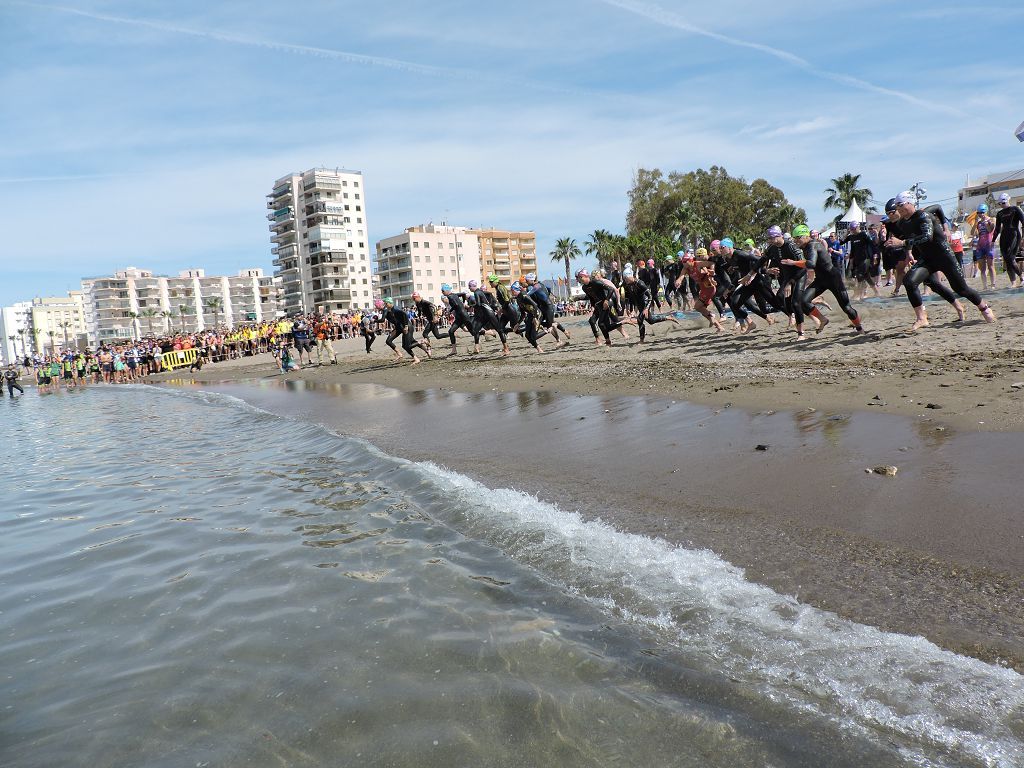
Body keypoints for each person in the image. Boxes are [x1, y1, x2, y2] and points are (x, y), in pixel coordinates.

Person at [886, 191, 996, 330]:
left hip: (945, 256)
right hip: (927, 259)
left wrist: (945, 226)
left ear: (911, 202)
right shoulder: (902, 223)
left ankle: (984, 308)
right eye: (897, 206)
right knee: (909, 281)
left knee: (961, 289)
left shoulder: (923, 215)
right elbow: (912, 239)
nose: (899, 208)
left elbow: (927, 236)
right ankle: (922, 318)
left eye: (901, 204)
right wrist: (908, 252)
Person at [792, 225, 864, 334]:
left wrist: (793, 263)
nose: (796, 241)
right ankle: (823, 319)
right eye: (794, 238)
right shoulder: (805, 247)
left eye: (798, 238)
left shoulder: (813, 245)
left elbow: (811, 263)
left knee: (846, 308)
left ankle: (859, 328)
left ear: (806, 236)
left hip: (833, 279)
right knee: (803, 301)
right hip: (821, 280)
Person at [623, 265, 681, 341]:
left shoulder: (640, 283)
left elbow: (650, 296)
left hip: (646, 303)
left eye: (626, 278)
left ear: (631, 276)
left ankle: (641, 340)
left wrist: (646, 308)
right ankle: (668, 317)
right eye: (624, 278)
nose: (625, 280)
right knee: (651, 320)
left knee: (640, 320)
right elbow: (628, 297)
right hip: (640, 305)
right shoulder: (628, 284)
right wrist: (628, 308)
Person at [524, 274, 571, 346]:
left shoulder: (537, 286)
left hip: (548, 307)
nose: (526, 282)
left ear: (532, 280)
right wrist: (546, 294)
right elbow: (549, 288)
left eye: (527, 280)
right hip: (543, 307)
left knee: (550, 325)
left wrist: (519, 296)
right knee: (542, 323)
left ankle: (559, 340)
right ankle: (562, 331)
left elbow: (528, 294)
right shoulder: (540, 284)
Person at [382, 297, 430, 364]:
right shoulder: (391, 310)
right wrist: (395, 330)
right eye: (384, 303)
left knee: (408, 346)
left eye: (386, 303)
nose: (385, 305)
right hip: (403, 327)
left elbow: (404, 314)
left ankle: (423, 341)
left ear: (390, 303)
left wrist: (406, 326)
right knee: (406, 345)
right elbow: (398, 321)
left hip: (407, 327)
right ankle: (418, 357)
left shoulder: (395, 309)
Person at [993, 192, 1024, 288]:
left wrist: (1023, 238)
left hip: (1014, 235)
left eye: (1003, 203)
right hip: (1004, 237)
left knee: (1011, 258)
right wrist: (993, 240)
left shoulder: (1015, 209)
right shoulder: (1000, 213)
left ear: (1007, 201)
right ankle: (1013, 282)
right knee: (1007, 260)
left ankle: (1022, 277)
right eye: (1000, 204)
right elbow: (997, 229)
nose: (1001, 205)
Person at [971, 203, 997, 290]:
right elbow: (972, 233)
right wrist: (975, 222)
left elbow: (990, 230)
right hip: (980, 246)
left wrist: (986, 223)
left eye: (982, 212)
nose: (980, 214)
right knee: (982, 268)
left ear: (985, 212)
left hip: (989, 245)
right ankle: (985, 286)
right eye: (978, 213)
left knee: (991, 266)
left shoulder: (991, 219)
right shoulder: (978, 223)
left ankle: (993, 284)